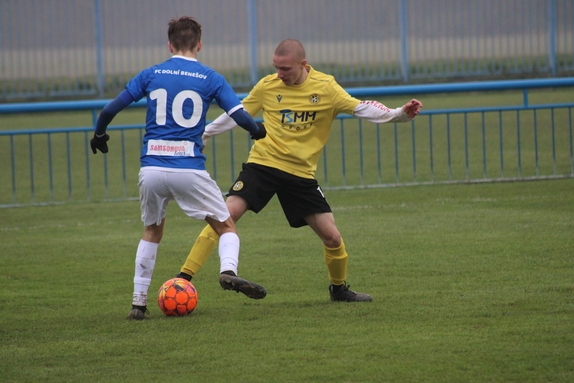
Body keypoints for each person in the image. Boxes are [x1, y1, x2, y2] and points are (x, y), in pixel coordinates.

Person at [176, 39, 422, 302]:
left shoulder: (326, 87)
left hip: (300, 174)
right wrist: (204, 134)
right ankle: (182, 280)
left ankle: (338, 290)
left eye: (286, 69)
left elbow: (361, 108)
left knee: (332, 237)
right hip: (263, 165)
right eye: (276, 68)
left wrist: (400, 114)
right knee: (223, 217)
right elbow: (237, 113)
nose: (279, 74)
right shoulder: (267, 86)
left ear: (303, 65)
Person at [90, 16, 268, 320]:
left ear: (169, 44)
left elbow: (109, 109)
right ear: (199, 44)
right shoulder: (210, 77)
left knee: (152, 231)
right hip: (189, 168)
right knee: (225, 225)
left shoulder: (150, 74)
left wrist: (100, 133)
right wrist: (256, 131)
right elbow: (240, 115)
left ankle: (138, 304)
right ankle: (228, 271)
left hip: (152, 169)